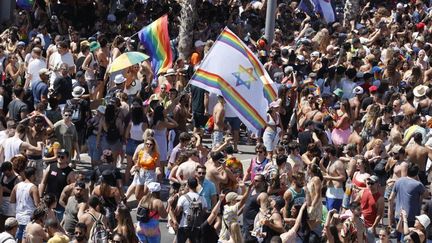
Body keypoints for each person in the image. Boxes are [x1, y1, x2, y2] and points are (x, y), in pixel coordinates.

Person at [389, 163, 426, 239]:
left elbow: (391, 198)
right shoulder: (418, 184)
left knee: (399, 237)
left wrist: (391, 214)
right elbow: (426, 194)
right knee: (408, 238)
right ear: (416, 173)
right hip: (411, 216)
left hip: (398, 214)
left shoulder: (398, 181)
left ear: (407, 171)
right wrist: (418, 178)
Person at [40, 149, 75, 222]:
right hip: (48, 201)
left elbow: (72, 190)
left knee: (58, 223)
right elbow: (43, 182)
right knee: (45, 222)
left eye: (62, 157)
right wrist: (41, 196)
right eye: (58, 156)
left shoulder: (70, 172)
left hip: (60, 204)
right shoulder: (50, 166)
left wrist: (68, 203)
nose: (60, 158)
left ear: (67, 158)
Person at [10, 167, 40, 243]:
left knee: (18, 240)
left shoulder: (17, 186)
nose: (36, 177)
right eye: (35, 175)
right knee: (28, 240)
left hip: (18, 218)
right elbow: (37, 204)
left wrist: (16, 212)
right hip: (29, 219)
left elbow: (11, 200)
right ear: (32, 176)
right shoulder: (33, 187)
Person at [174, 177, 207, 243]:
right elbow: (204, 212)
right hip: (197, 226)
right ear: (197, 185)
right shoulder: (202, 198)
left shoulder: (183, 197)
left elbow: (177, 212)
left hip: (184, 225)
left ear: (188, 185)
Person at [242, 174, 268, 243]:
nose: (254, 182)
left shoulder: (262, 195)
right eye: (253, 180)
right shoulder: (252, 191)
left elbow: (264, 212)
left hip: (252, 228)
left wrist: (260, 229)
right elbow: (244, 202)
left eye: (256, 181)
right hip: (245, 227)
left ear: (262, 183)